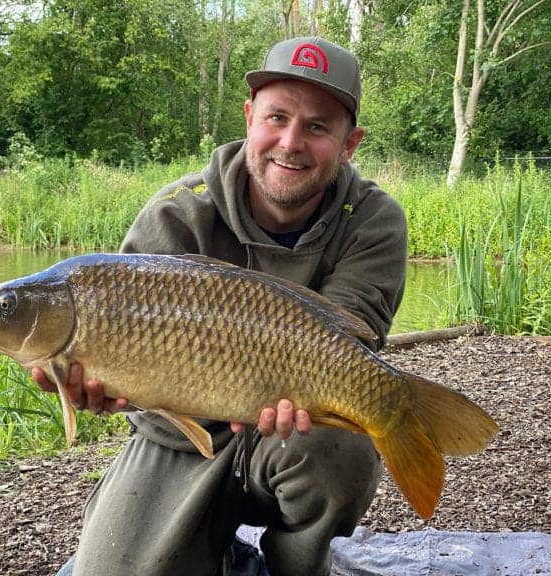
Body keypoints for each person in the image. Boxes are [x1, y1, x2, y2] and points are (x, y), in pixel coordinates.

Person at [34, 36, 408, 576]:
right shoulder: (176, 214)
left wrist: (303, 393)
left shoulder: (372, 219)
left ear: (350, 144)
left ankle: (296, 568)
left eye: (318, 126)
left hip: (293, 432)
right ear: (250, 117)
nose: (291, 141)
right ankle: (221, 552)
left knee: (339, 450)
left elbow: (349, 342)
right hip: (181, 439)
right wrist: (114, 393)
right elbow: (134, 388)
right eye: (276, 117)